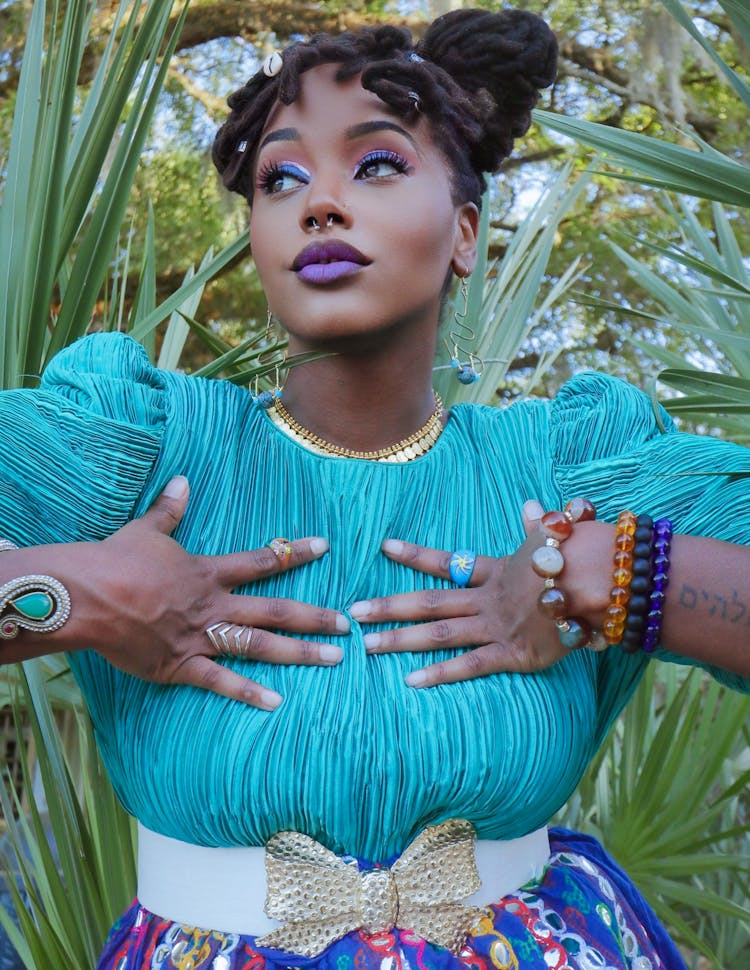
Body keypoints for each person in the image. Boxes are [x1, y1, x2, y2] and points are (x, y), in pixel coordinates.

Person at [0, 7, 748, 969]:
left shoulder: (569, 467)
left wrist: (606, 574)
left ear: (466, 232)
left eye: (378, 163)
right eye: (282, 177)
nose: (320, 203)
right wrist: (86, 597)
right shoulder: (134, 452)